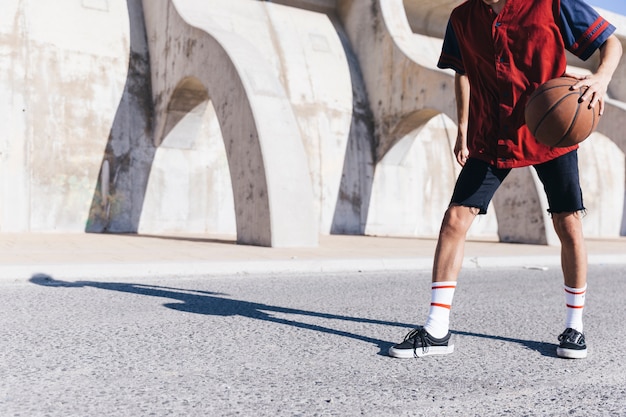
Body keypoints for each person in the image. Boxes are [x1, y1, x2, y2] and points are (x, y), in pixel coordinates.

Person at [389, 0, 622, 359]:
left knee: (568, 224)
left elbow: (611, 42)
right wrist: (463, 127)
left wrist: (601, 78)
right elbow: (461, 70)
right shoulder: (462, 18)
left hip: (550, 134)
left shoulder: (551, 4)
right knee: (454, 220)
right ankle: (437, 329)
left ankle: (574, 329)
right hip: (492, 135)